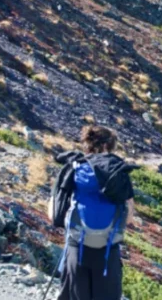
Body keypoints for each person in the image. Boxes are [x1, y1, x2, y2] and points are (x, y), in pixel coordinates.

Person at [54, 126, 132, 300]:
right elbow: (130, 213)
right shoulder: (118, 171)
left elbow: (57, 209)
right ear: (107, 146)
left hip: (76, 247)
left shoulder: (76, 166)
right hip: (108, 251)